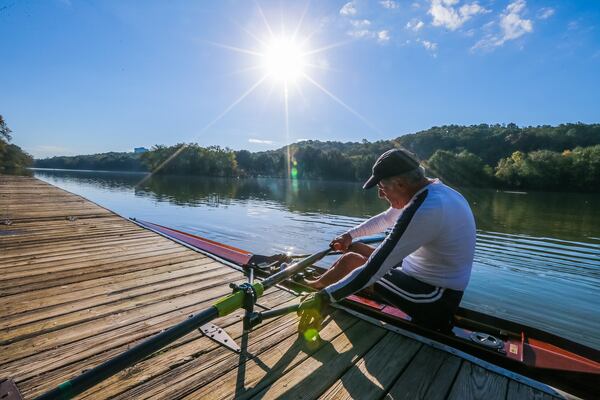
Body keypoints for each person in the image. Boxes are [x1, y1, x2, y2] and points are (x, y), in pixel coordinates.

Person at [298, 148, 476, 332]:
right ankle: (319, 282)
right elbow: (386, 219)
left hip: (435, 299)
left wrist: (325, 298)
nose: (380, 195)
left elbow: (375, 268)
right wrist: (349, 236)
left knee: (359, 265)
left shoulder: (426, 209)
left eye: (382, 188)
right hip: (421, 278)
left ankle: (318, 291)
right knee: (354, 251)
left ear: (399, 184)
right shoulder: (432, 192)